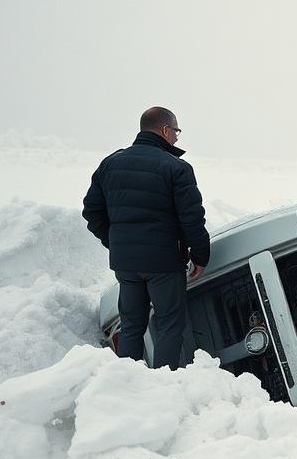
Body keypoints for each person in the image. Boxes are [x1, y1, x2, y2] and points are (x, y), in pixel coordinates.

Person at [82, 106, 210, 370]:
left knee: (131, 326)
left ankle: (126, 383)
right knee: (169, 326)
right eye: (176, 131)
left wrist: (118, 242)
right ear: (165, 130)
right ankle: (163, 385)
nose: (176, 138)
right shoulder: (176, 168)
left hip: (126, 265)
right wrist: (200, 256)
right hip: (163, 263)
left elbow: (91, 211)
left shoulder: (110, 164)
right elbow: (192, 219)